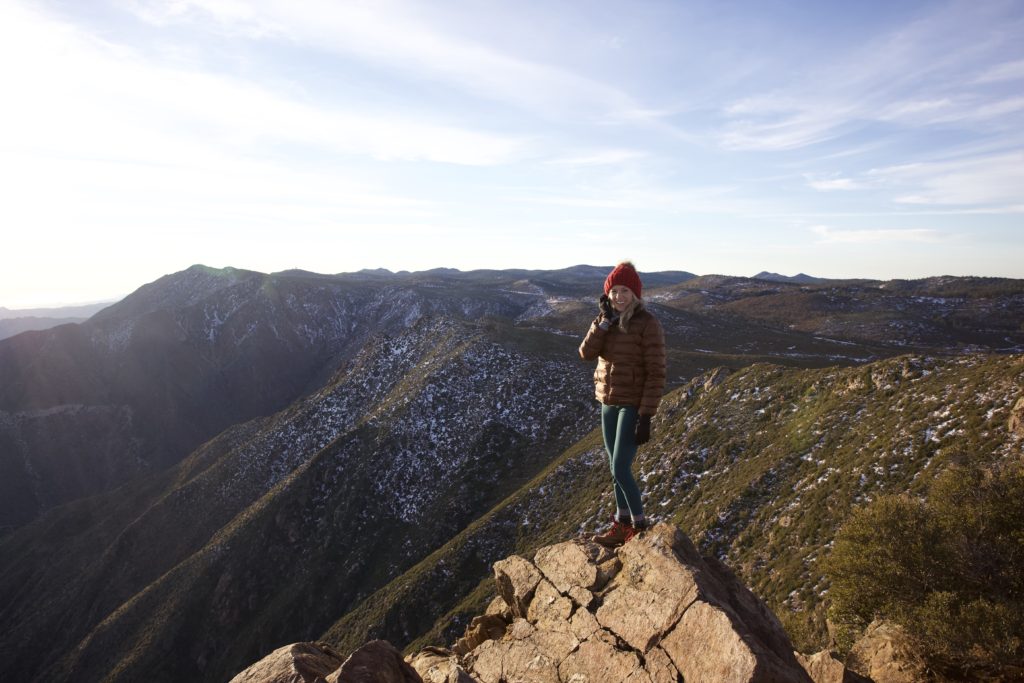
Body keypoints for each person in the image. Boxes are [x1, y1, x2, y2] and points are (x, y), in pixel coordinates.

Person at [578, 262, 667, 547]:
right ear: (607, 294)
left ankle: (639, 526)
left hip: (632, 404)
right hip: (608, 401)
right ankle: (621, 525)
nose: (619, 296)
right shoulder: (604, 321)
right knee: (613, 468)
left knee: (620, 468)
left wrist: (646, 416)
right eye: (614, 291)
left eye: (624, 291)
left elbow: (656, 372)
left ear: (635, 294)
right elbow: (586, 353)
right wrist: (602, 324)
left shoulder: (647, 324)